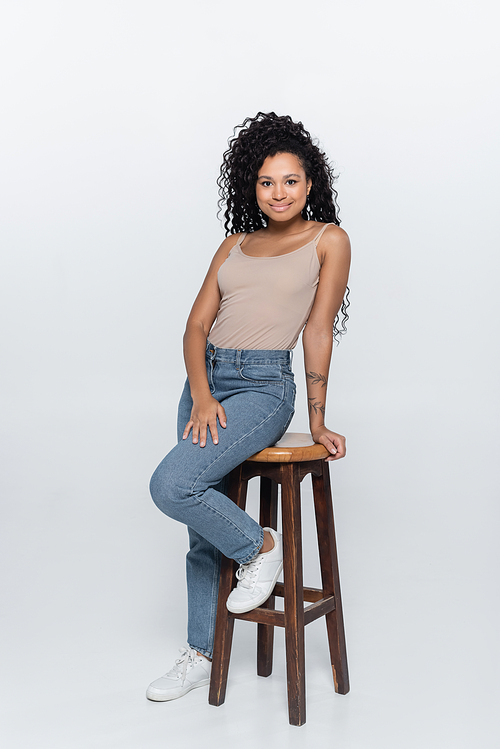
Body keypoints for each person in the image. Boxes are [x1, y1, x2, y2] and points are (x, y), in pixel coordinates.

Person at [147, 112, 351, 702]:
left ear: (310, 183)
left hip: (264, 386)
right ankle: (200, 654)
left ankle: (262, 547)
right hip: (203, 384)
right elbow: (195, 325)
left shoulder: (327, 239)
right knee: (195, 519)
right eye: (267, 182)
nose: (279, 192)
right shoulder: (233, 244)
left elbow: (317, 331)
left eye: (290, 180)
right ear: (252, 187)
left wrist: (315, 417)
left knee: (172, 485)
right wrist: (203, 393)